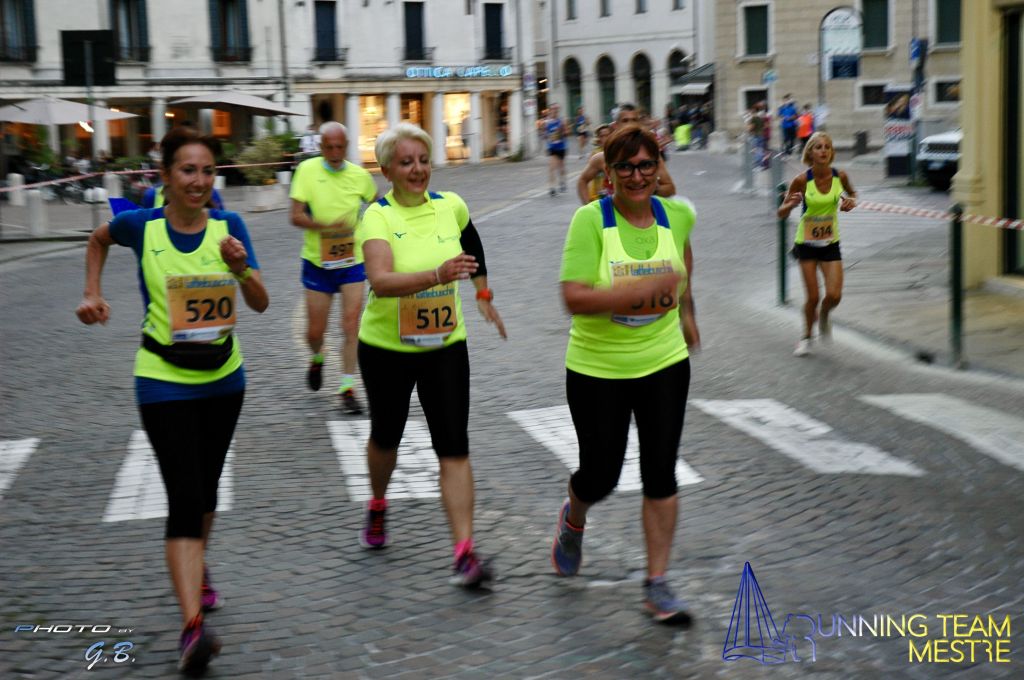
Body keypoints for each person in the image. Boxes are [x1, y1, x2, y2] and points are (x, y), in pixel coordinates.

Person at [75, 127, 269, 674]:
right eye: (188, 170)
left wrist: (240, 268)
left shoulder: (230, 227)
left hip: (224, 380)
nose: (199, 181)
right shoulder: (142, 226)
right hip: (162, 379)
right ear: (164, 177)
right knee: (185, 495)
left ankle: (196, 564)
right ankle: (191, 630)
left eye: (207, 171)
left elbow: (259, 302)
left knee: (205, 491)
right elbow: (97, 239)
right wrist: (92, 293)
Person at [552, 124, 699, 624]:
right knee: (601, 474)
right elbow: (574, 297)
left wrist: (688, 312)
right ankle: (574, 517)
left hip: (663, 361)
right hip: (597, 369)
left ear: (659, 168)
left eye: (646, 165)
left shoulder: (678, 215)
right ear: (609, 174)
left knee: (661, 471)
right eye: (626, 167)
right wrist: (640, 292)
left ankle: (657, 583)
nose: (637, 176)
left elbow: (684, 268)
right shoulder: (590, 221)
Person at [355, 123, 507, 588]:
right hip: (386, 349)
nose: (417, 169)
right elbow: (381, 281)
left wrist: (483, 293)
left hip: (445, 346)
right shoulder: (377, 217)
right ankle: (378, 502)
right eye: (406, 162)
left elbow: (473, 245)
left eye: (423, 160)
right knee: (387, 437)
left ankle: (464, 552)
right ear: (386, 171)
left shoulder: (450, 206)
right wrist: (438, 274)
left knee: (454, 445)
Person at [290, 121, 379, 413]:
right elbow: (295, 216)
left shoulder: (359, 176)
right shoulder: (307, 171)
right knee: (314, 333)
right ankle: (317, 358)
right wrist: (325, 227)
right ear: (320, 147)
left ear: (347, 146)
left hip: (352, 261)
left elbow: (378, 205)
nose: (335, 153)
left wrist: (374, 232)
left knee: (351, 325)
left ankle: (347, 388)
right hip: (317, 262)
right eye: (329, 147)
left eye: (340, 147)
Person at [776, 131, 857, 357]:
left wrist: (850, 202)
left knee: (834, 295)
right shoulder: (802, 180)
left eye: (827, 147)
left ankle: (824, 315)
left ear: (831, 152)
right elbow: (781, 213)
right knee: (812, 297)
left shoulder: (840, 176)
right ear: (810, 152)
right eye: (818, 147)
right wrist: (789, 205)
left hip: (831, 243)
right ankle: (806, 337)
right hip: (807, 244)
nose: (823, 151)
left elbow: (853, 194)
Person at [577, 104, 676, 205]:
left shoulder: (650, 155)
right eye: (625, 121)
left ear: (639, 124)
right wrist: (587, 207)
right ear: (616, 125)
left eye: (634, 120)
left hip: (640, 212)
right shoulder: (602, 157)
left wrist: (649, 187)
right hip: (612, 212)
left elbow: (670, 188)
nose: (630, 124)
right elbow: (582, 181)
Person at [577, 123, 612, 204]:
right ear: (599, 138)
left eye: (608, 135)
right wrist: (586, 204)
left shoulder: (618, 152)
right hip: (598, 196)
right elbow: (583, 179)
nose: (605, 138)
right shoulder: (595, 154)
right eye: (602, 136)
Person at [544, 103, 569, 196]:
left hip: (561, 147)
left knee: (561, 167)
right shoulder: (547, 122)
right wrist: (548, 137)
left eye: (556, 109)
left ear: (558, 110)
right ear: (550, 110)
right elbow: (545, 134)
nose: (554, 111)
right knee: (551, 167)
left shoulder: (562, 121)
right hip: (552, 148)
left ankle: (562, 182)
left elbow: (567, 133)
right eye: (553, 109)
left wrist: (562, 131)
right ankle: (552, 188)